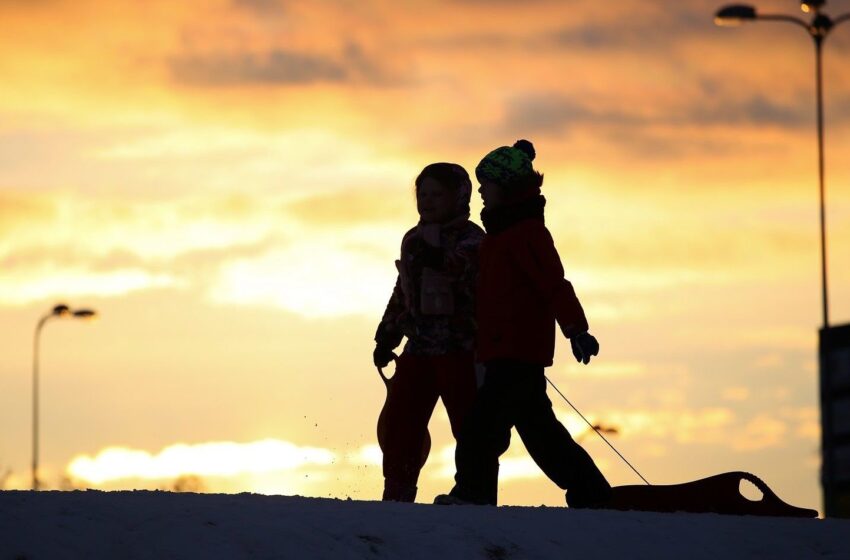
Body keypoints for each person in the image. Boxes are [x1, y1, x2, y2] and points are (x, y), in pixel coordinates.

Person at [435, 140, 611, 508]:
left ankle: (474, 493)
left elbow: (554, 284)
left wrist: (577, 330)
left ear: (508, 188)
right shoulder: (498, 238)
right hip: (501, 350)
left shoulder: (527, 234)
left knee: (480, 428)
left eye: (487, 185)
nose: (481, 191)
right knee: (540, 433)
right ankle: (592, 493)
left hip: (517, 352)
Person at [373, 162, 485, 502]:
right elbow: (402, 288)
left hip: (461, 351)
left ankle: (475, 493)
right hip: (418, 350)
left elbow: (457, 268)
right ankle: (398, 493)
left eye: (437, 194)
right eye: (422, 194)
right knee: (400, 424)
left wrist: (436, 249)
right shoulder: (412, 239)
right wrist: (387, 333)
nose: (427, 201)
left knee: (470, 429)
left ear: (459, 197)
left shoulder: (474, 239)